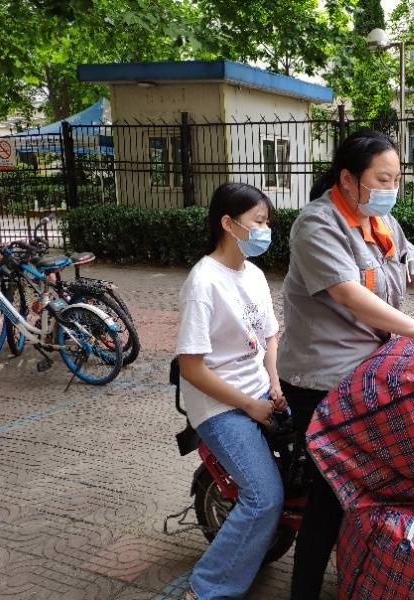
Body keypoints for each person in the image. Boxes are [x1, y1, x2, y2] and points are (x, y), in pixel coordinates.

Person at [278, 129, 414, 600]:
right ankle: (304, 591)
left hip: (372, 372)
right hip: (322, 378)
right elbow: (348, 293)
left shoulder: (381, 226)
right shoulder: (317, 225)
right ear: (348, 178)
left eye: (396, 179)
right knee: (331, 493)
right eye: (383, 178)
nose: (391, 189)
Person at [176, 182, 286, 600]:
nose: (265, 231)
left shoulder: (253, 275)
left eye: (267, 223)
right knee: (264, 497)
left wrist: (274, 386)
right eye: (258, 222)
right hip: (220, 407)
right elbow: (191, 367)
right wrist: (250, 405)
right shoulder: (203, 283)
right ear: (228, 223)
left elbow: (270, 338)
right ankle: (206, 590)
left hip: (259, 392)